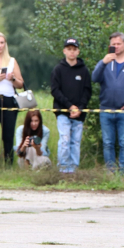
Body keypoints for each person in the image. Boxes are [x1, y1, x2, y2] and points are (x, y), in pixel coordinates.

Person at [92, 32, 124, 173]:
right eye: (113, 44)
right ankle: (110, 171)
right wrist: (103, 62)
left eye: (119, 43)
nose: (116, 46)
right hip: (106, 109)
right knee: (108, 143)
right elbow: (95, 78)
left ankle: (123, 172)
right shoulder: (105, 63)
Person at [50, 38, 91, 173]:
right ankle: (62, 169)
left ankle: (73, 170)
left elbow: (87, 91)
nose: (72, 52)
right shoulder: (58, 69)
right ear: (64, 51)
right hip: (62, 112)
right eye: (69, 49)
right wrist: (69, 106)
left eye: (74, 49)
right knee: (65, 140)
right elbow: (55, 90)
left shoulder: (84, 70)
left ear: (78, 51)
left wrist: (79, 108)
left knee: (75, 142)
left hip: (79, 114)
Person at [0, 32, 24, 164]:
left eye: (2, 42)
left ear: (5, 44)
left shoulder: (12, 61)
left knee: (8, 135)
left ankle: (8, 164)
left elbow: (21, 84)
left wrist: (12, 78)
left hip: (8, 100)